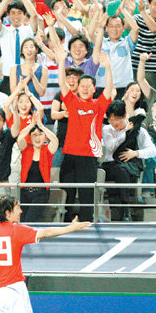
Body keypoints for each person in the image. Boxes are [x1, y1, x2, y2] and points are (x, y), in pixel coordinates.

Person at [54, 41, 113, 221]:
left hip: (89, 156)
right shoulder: (72, 102)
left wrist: (108, 67)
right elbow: (62, 84)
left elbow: (109, 90)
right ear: (77, 89)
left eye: (89, 85)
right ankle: (65, 225)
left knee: (87, 196)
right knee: (67, 194)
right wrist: (62, 62)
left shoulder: (99, 105)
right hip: (70, 154)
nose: (86, 87)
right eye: (82, 85)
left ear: (94, 89)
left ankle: (87, 225)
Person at [102, 99, 156, 221]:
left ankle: (124, 209)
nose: (114, 123)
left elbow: (153, 151)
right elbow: (111, 146)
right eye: (111, 120)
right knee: (116, 170)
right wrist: (125, 133)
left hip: (129, 166)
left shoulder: (138, 130)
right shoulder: (107, 129)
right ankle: (121, 211)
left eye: (117, 119)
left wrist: (135, 153)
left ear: (125, 116)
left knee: (121, 170)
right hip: (110, 165)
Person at [17, 112, 59, 222]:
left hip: (41, 193)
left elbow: (55, 140)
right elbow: (19, 138)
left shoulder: (47, 150)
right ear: (30, 137)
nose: (37, 137)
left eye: (40, 134)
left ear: (45, 137)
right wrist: (31, 125)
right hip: (24, 192)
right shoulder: (26, 149)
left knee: (30, 221)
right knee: (21, 221)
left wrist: (41, 126)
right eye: (34, 135)